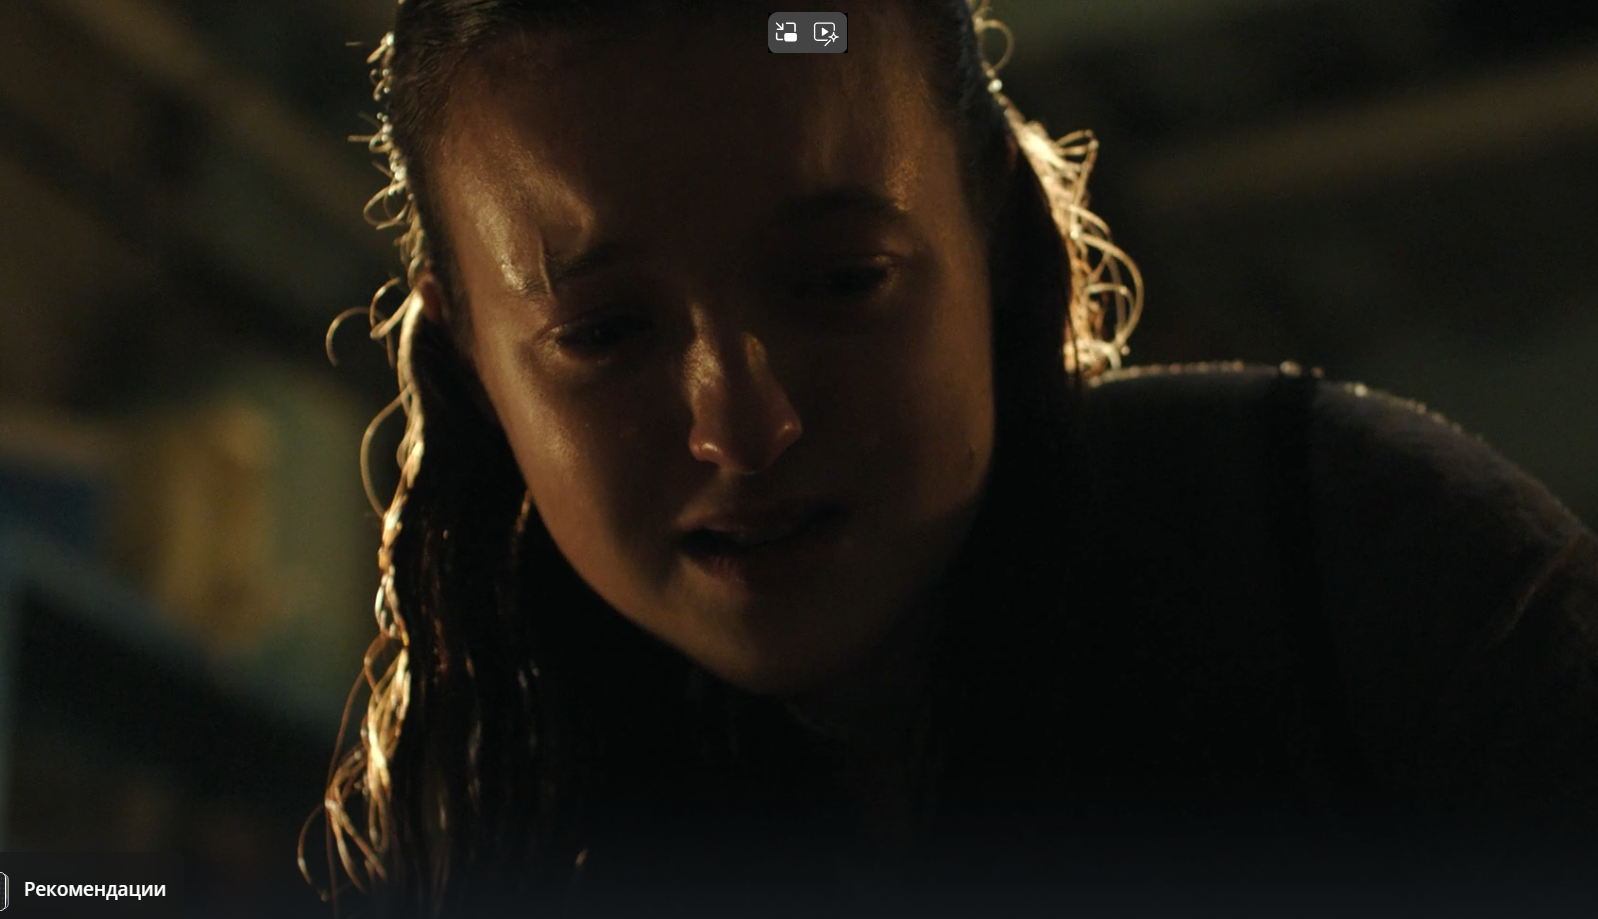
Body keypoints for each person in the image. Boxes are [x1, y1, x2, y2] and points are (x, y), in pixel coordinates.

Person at [308, 1, 1598, 916]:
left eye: (839, 280)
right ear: (475, 363)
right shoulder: (522, 829)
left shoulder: (1337, 568)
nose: (745, 427)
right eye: (602, 333)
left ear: (988, 228)